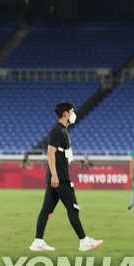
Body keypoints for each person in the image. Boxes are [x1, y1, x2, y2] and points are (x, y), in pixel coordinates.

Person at [30, 102, 103, 255]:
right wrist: (55, 175)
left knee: (46, 210)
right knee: (73, 209)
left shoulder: (63, 130)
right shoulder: (58, 130)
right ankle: (84, 241)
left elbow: (61, 155)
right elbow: (50, 153)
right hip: (60, 178)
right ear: (65, 114)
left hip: (57, 177)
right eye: (72, 111)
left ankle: (38, 241)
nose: (74, 113)